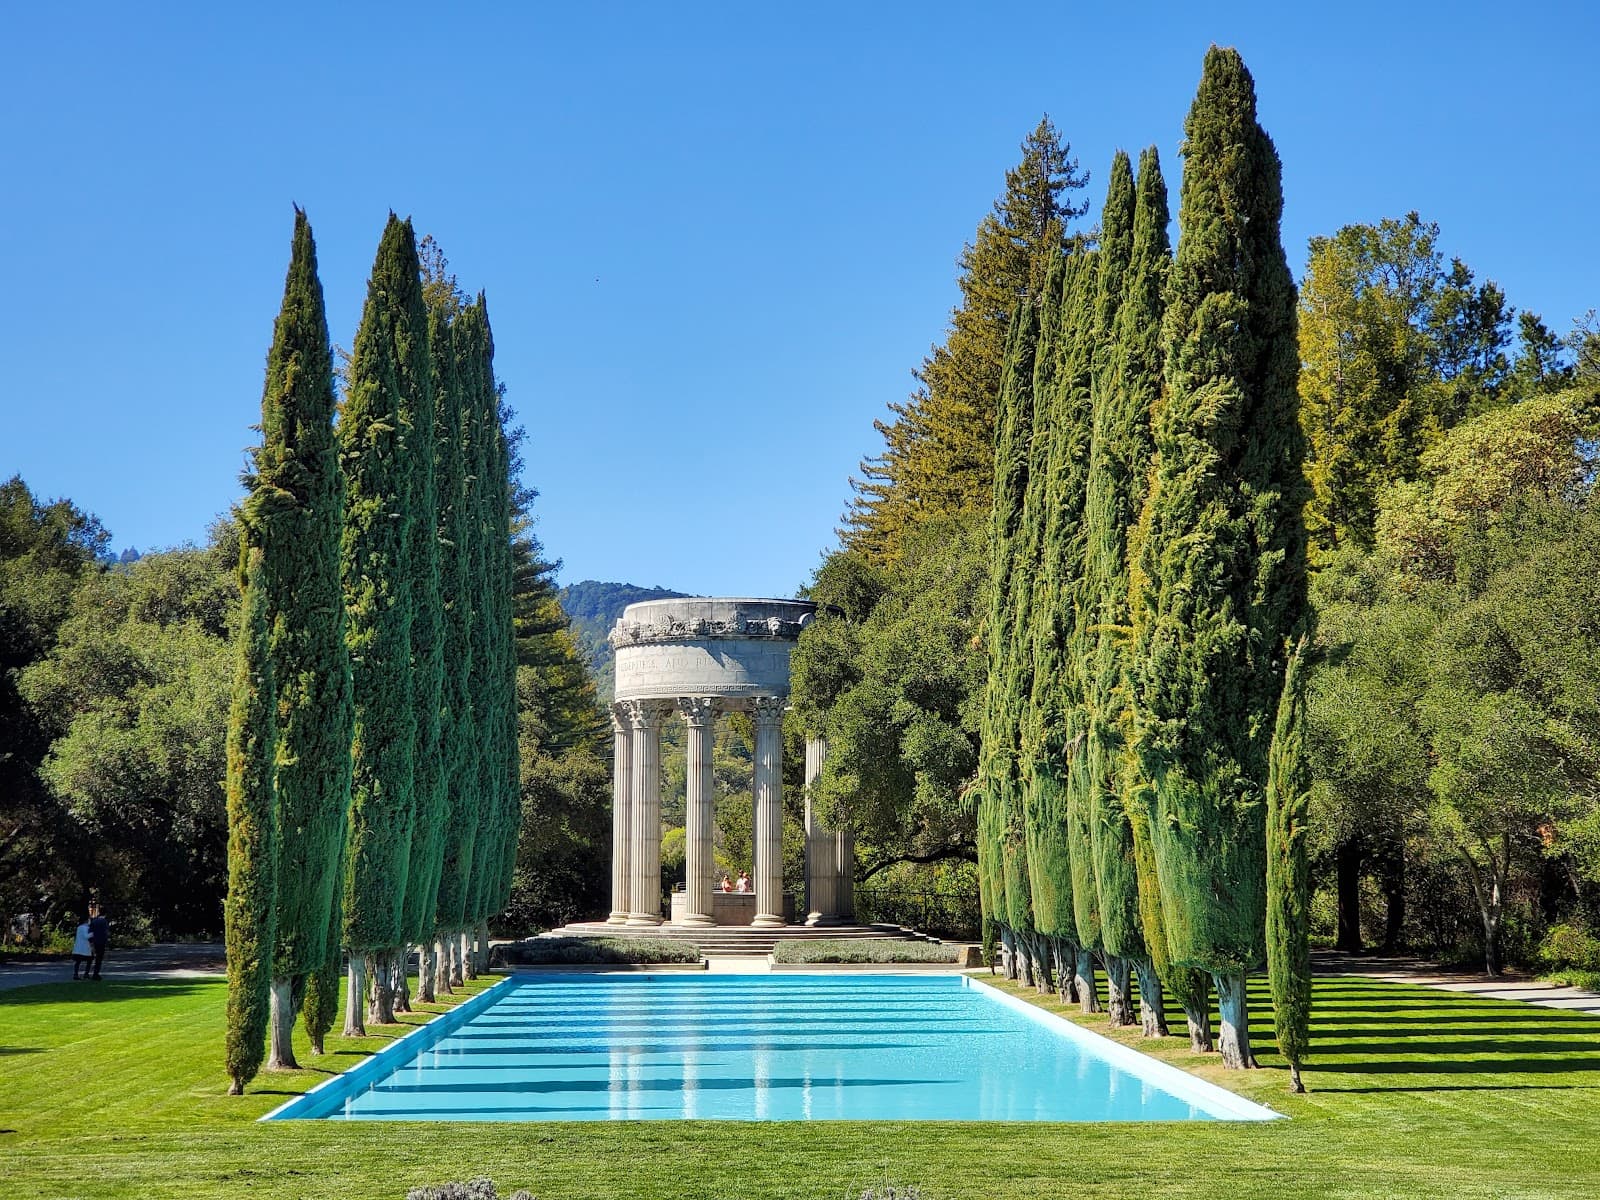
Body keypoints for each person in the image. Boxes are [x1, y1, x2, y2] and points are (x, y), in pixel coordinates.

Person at [86, 903, 109, 981]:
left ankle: (89, 973)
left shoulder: (94, 921)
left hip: (94, 941)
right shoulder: (104, 921)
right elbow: (105, 932)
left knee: (94, 957)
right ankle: (96, 973)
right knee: (99, 958)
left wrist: (90, 941)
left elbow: (90, 931)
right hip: (101, 941)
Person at [71, 916, 92, 980]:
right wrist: (92, 933)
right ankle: (86, 974)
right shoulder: (86, 928)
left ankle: (76, 974)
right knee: (89, 960)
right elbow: (86, 936)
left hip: (78, 948)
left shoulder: (79, 927)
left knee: (78, 962)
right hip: (85, 948)